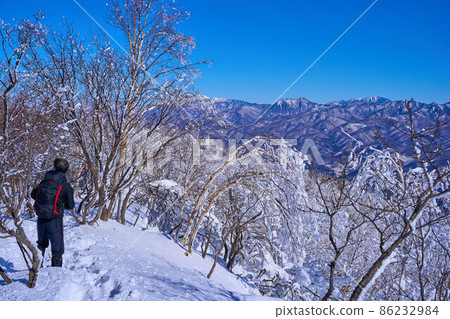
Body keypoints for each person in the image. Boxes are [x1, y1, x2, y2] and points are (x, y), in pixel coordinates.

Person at [31, 158, 74, 267]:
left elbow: (33, 195)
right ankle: (56, 274)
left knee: (41, 245)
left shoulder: (45, 180)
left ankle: (36, 270)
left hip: (41, 217)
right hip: (55, 219)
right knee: (57, 249)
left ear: (54, 168)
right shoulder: (65, 185)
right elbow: (71, 205)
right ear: (67, 170)